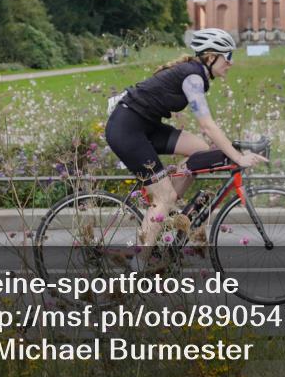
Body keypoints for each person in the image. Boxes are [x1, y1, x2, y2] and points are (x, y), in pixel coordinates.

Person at [104, 28, 267, 252]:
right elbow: (207, 125)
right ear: (211, 57)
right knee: (164, 196)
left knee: (200, 150)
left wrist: (233, 149)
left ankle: (166, 208)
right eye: (228, 56)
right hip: (127, 129)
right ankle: (138, 267)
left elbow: (206, 135)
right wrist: (238, 156)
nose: (231, 63)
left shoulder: (195, 74)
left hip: (145, 125)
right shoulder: (193, 77)